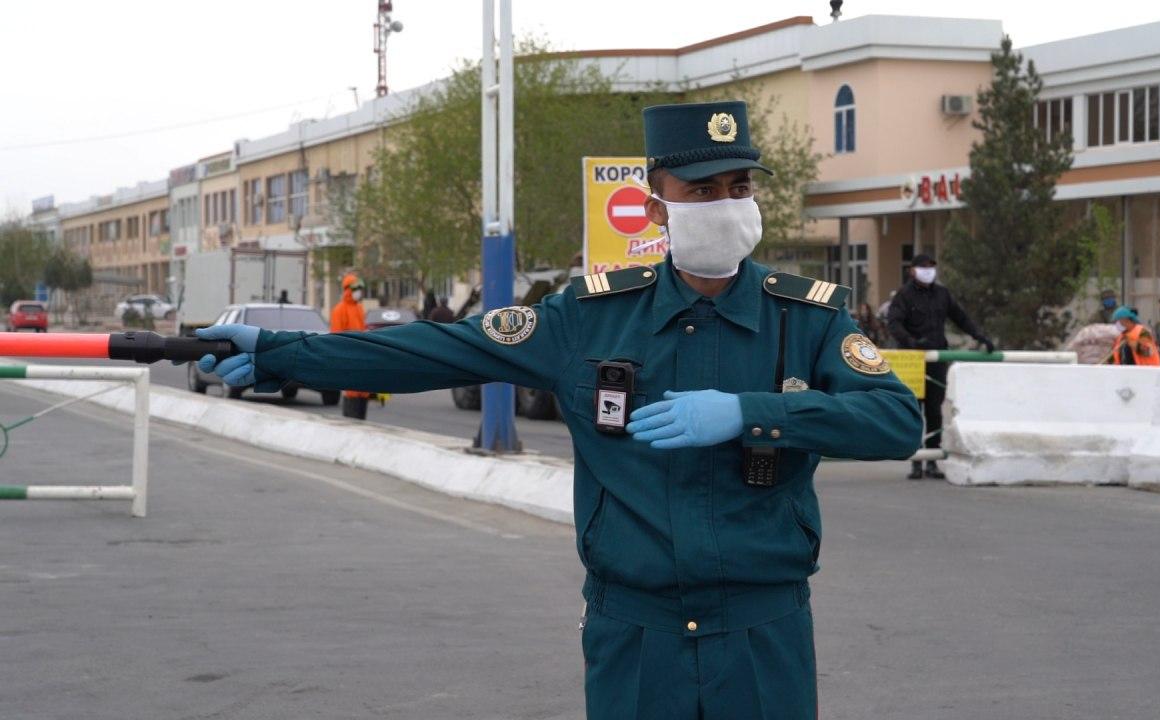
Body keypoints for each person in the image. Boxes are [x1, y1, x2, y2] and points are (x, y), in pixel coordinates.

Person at [195, 100, 923, 719]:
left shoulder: (806, 319)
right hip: (636, 635)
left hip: (764, 634)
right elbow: (436, 351)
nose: (727, 206)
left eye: (739, 187)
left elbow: (896, 421)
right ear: (656, 204)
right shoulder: (590, 318)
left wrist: (752, 413)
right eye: (702, 190)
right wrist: (283, 354)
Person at [887, 253, 994, 480]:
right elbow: (894, 323)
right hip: (913, 361)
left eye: (931, 267)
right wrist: (911, 342)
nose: (928, 271)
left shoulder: (942, 294)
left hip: (937, 358)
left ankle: (933, 461)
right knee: (914, 411)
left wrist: (980, 337)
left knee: (935, 410)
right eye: (923, 267)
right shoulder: (904, 295)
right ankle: (916, 461)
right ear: (912, 270)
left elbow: (961, 318)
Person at [330, 273, 371, 419]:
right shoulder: (339, 310)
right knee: (352, 391)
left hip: (361, 357)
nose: (358, 292)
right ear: (348, 289)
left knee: (363, 391)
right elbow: (336, 337)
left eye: (360, 289)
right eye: (355, 289)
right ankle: (351, 422)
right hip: (348, 357)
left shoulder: (359, 308)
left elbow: (362, 330)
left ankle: (360, 423)